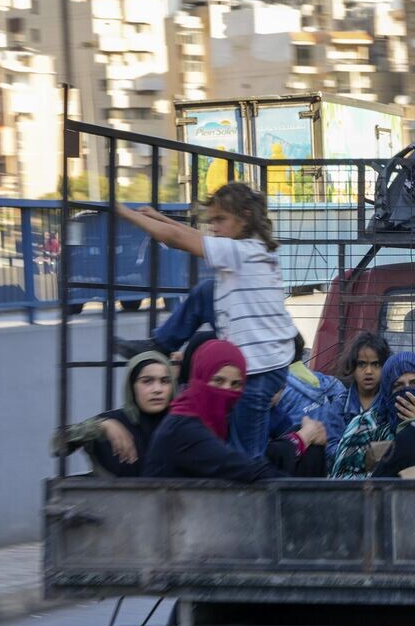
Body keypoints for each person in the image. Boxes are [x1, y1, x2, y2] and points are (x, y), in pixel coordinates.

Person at [115, 182, 297, 459]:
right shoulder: (251, 248)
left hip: (259, 369)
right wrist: (158, 218)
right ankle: (160, 344)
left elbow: (178, 239)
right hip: (262, 360)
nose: (213, 227)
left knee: (246, 454)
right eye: (211, 221)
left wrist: (124, 213)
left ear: (245, 216)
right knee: (204, 293)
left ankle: (254, 497)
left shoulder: (241, 252)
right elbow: (186, 234)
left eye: (220, 220)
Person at [143, 339, 284, 481]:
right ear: (200, 378)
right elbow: (242, 467)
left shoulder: (213, 422)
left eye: (235, 384)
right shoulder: (184, 428)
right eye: (218, 381)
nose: (227, 390)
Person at [52, 351, 175, 477]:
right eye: (147, 381)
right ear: (132, 386)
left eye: (165, 381)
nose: (157, 389)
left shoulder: (180, 425)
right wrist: (98, 427)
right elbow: (56, 444)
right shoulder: (112, 422)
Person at [330, 351, 415, 479]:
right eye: (398, 385)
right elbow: (340, 480)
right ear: (388, 390)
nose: (407, 390)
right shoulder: (365, 425)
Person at [337, 332, 392, 427]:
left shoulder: (391, 404)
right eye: (361, 364)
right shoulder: (339, 404)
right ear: (352, 367)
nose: (369, 371)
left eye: (376, 364)